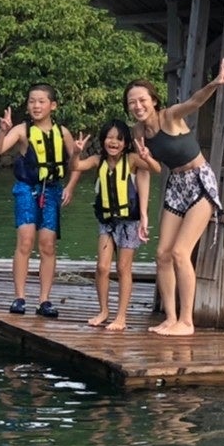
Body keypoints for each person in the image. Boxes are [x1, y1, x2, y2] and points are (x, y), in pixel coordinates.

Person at [125, 58, 224, 337]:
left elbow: (195, 102)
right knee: (162, 254)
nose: (138, 106)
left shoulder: (170, 116)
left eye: (142, 100)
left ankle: (187, 321)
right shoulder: (138, 133)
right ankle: (170, 318)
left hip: (199, 180)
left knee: (180, 252)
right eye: (132, 103)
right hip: (175, 184)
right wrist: (145, 213)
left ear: (154, 101)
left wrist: (215, 82)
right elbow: (147, 172)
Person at [0, 83, 82, 318]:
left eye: (41, 101)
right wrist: (2, 130)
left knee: (48, 245)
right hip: (26, 188)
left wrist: (70, 187)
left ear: (53, 105)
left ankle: (44, 300)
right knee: (25, 240)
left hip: (51, 190)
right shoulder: (22, 130)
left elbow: (77, 163)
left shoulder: (63, 133)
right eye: (32, 101)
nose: (36, 106)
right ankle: (19, 297)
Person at [71, 119, 158, 331]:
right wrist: (75, 152)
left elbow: (156, 169)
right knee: (101, 267)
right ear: (103, 140)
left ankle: (121, 317)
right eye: (109, 138)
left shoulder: (132, 159)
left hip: (129, 222)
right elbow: (76, 166)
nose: (114, 142)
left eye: (119, 139)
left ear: (125, 142)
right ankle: (104, 311)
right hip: (107, 221)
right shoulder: (97, 160)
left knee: (123, 268)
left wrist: (147, 157)